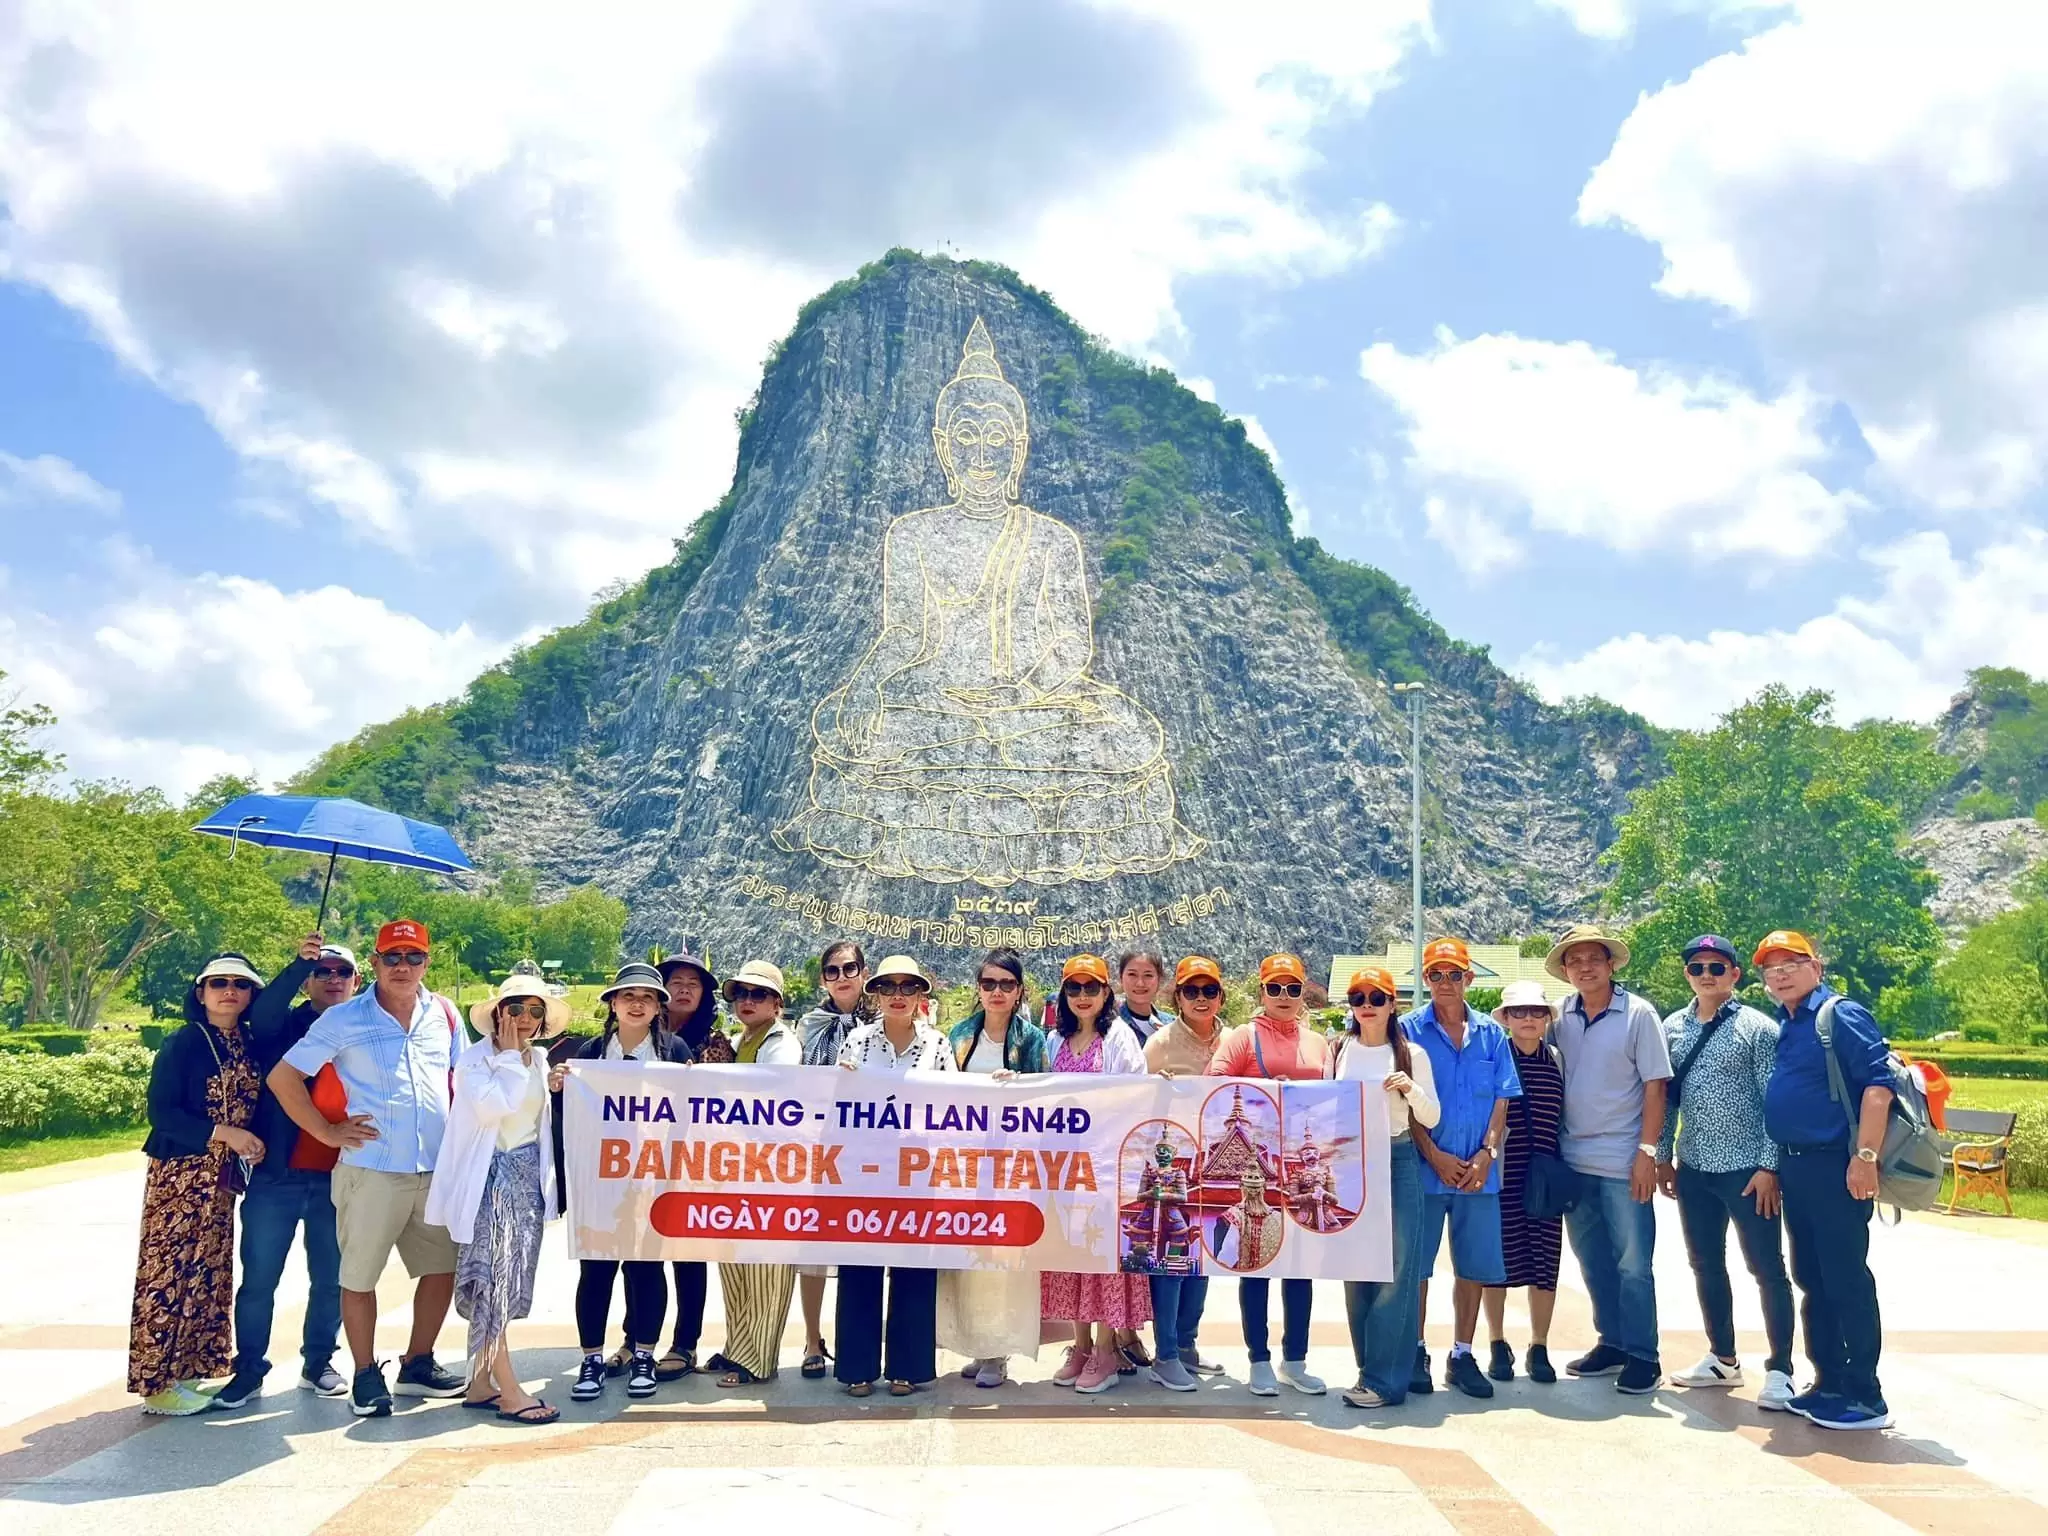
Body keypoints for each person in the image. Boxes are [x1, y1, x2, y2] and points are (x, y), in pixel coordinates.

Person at [270, 919, 468, 1418]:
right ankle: (364, 1373)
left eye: (414, 957)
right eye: (393, 957)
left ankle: (418, 1364)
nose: (404, 967)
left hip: (435, 1167)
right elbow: (284, 1077)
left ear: (427, 962)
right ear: (375, 963)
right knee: (358, 1276)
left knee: (441, 1268)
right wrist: (326, 1132)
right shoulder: (344, 1018)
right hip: (373, 1168)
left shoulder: (444, 1014)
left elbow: (465, 1080)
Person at [1756, 929, 1894, 1431]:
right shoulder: (1789, 1022)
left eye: (1791, 962)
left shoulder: (1840, 1014)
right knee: (1812, 1277)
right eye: (1771, 967)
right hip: (1797, 1165)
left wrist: (1865, 1156)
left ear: (1816, 966)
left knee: (1845, 1277)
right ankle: (1829, 1380)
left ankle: (1865, 1395)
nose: (1780, 972)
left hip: (1837, 1164)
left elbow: (1878, 1089)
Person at [212, 934, 355, 1409]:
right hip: (278, 1174)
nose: (333, 979)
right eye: (324, 972)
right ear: (310, 982)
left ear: (356, 982)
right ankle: (249, 1367)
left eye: (343, 972)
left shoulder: (363, 1027)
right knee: (259, 1281)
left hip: (338, 1174)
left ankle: (319, 1361)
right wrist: (298, 963)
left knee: (331, 1278)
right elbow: (263, 1010)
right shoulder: (284, 1027)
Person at [1656, 936, 1796, 1410]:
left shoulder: (1757, 1029)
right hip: (1694, 1166)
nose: (1707, 974)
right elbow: (1667, 1099)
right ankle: (1723, 1358)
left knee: (1766, 1268)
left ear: (1736, 974)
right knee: (1705, 1264)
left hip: (1747, 1171)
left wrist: (1768, 1166)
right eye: (1697, 967)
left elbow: (1774, 1104)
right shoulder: (1672, 1027)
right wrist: (1661, 1157)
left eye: (1718, 966)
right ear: (1687, 974)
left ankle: (1780, 1369)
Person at [128, 954, 268, 1416]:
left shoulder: (247, 1041)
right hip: (182, 1176)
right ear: (200, 992)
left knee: (208, 1272)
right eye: (218, 982)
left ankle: (187, 1370)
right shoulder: (184, 1042)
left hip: (222, 1180)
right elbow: (162, 1113)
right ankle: (155, 1381)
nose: (229, 990)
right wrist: (226, 1134)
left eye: (240, 984)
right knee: (169, 1270)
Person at [426, 974, 567, 1425]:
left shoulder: (540, 1060)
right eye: (516, 1008)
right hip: (488, 1183)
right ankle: (508, 1389)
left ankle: (482, 1381)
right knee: (492, 1285)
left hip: (525, 1185)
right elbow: (493, 1109)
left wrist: (558, 1082)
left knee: (510, 1282)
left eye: (535, 1011)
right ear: (498, 1013)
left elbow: (537, 1117)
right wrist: (508, 1058)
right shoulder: (475, 1061)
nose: (524, 1019)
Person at [549, 962, 690, 1404]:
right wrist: (557, 1091)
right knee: (596, 1270)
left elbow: (693, 1119)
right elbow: (565, 1125)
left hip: (653, 1181)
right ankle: (592, 1357)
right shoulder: (586, 1056)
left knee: (648, 1268)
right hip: (599, 1182)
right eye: (627, 995)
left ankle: (644, 1353)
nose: (636, 1004)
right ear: (612, 1002)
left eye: (647, 998)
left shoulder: (676, 1053)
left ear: (657, 1008)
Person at [1546, 923, 1672, 1396]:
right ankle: (1613, 1341)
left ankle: (1644, 1354)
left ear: (1611, 963)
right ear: (1565, 969)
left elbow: (1656, 1085)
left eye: (1593, 958)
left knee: (1634, 1263)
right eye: (1574, 960)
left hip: (1623, 1161)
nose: (1584, 967)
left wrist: (1647, 1153)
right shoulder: (1560, 1015)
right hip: (1574, 1160)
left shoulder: (1639, 1014)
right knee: (1593, 1260)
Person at [1401, 938, 1519, 1400]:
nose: (1445, 983)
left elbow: (1502, 1098)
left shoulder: (1491, 1033)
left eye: (1454, 974)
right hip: (1425, 1169)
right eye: (1436, 975)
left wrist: (1488, 1153)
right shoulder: (1406, 1031)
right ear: (1425, 980)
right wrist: (1433, 1154)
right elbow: (1402, 1102)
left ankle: (1463, 1354)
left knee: (1472, 1267)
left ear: (1469, 979)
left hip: (1479, 1173)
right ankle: (1415, 1352)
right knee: (1418, 1268)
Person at [1208, 952, 1330, 1397]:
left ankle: (1294, 1358)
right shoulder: (1243, 1037)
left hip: (1296, 1167)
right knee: (1256, 1262)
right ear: (1261, 992)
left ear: (1303, 993)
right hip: (1253, 1170)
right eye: (1274, 987)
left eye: (1292, 988)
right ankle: (1258, 1358)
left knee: (1301, 1268)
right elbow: (1215, 1084)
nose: (1283, 996)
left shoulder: (1318, 1043)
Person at [836, 955, 956, 1396]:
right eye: (890, 988)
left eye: (908, 988)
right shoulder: (856, 1042)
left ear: (921, 995)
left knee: (913, 1270)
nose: (899, 997)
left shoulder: (938, 1045)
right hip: (864, 1172)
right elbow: (838, 1106)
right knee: (860, 1269)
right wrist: (841, 1082)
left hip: (918, 1174)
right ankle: (857, 1368)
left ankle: (907, 1365)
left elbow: (958, 1108)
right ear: (877, 994)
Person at [1042, 954, 1151, 1394]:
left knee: (1104, 1261)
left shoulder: (1120, 1039)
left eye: (1091, 988)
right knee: (1072, 1259)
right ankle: (1081, 1345)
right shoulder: (1054, 1042)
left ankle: (1107, 1348)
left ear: (1106, 993)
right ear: (1064, 994)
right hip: (1066, 1172)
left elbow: (1137, 1099)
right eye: (1074, 988)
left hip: (1108, 1172)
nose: (1082, 996)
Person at [939, 947, 1046, 1388]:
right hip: (964, 1165)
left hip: (1012, 1168)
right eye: (988, 984)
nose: (997, 992)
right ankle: (977, 1344)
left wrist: (1021, 1086)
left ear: (1019, 991)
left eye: (1006, 984)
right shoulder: (959, 1035)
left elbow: (1048, 1095)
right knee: (968, 1260)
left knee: (1002, 1261)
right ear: (977, 989)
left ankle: (998, 1352)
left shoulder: (1032, 1039)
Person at [1332, 966, 1439, 1410]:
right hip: (1351, 1162)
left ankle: (1386, 1380)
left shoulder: (1412, 1053)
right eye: (1358, 999)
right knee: (1357, 1271)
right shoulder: (1341, 1050)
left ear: (1393, 1004)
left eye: (1377, 999)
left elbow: (1432, 1117)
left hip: (1397, 1158)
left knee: (1398, 1271)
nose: (1367, 1007)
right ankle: (1367, 1371)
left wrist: (1410, 1089)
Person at [708, 960, 801, 1388]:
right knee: (734, 1261)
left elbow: (767, 1095)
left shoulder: (782, 1044)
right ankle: (737, 1346)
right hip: (736, 1162)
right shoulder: (742, 1040)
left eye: (758, 994)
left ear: (777, 1004)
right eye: (741, 994)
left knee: (767, 1265)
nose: (747, 1001)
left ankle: (758, 1358)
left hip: (771, 1167)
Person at [1141, 955, 1231, 1386]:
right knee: (1172, 1257)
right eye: (1191, 991)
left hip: (1212, 1167)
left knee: (1203, 1256)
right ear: (1177, 996)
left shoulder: (1233, 1040)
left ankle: (1188, 1343)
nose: (1200, 998)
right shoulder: (1159, 1043)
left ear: (1220, 996)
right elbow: (1136, 1104)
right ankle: (1166, 1353)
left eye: (1208, 990)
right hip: (1172, 1166)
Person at [1480, 981, 1565, 1386]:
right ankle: (1497, 1341)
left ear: (1547, 1018)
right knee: (1498, 1261)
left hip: (1546, 1173)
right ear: (1507, 1019)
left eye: (1536, 1011)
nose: (1528, 1019)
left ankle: (1540, 1344)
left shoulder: (1558, 1060)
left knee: (1545, 1263)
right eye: (1519, 1012)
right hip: (1504, 1173)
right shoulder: (1498, 1058)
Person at [796, 940, 873, 1379]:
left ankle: (858, 1341)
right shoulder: (811, 1024)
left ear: (863, 972)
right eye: (832, 970)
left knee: (862, 1250)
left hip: (870, 1152)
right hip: (821, 1145)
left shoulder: (884, 1020)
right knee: (814, 1249)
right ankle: (811, 1339)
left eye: (849, 969)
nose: (841, 978)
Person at [653, 946, 727, 1380]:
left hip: (692, 1163)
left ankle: (685, 1343)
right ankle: (635, 1338)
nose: (683, 990)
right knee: (638, 1256)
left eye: (693, 984)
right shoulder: (638, 1036)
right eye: (675, 982)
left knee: (687, 1255)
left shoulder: (714, 1044)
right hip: (640, 1163)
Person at [1114, 948, 1174, 1046]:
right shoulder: (1109, 1025)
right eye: (1132, 974)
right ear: (1121, 977)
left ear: (1159, 979)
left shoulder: (1172, 1026)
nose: (1140, 983)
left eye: (1148, 975)